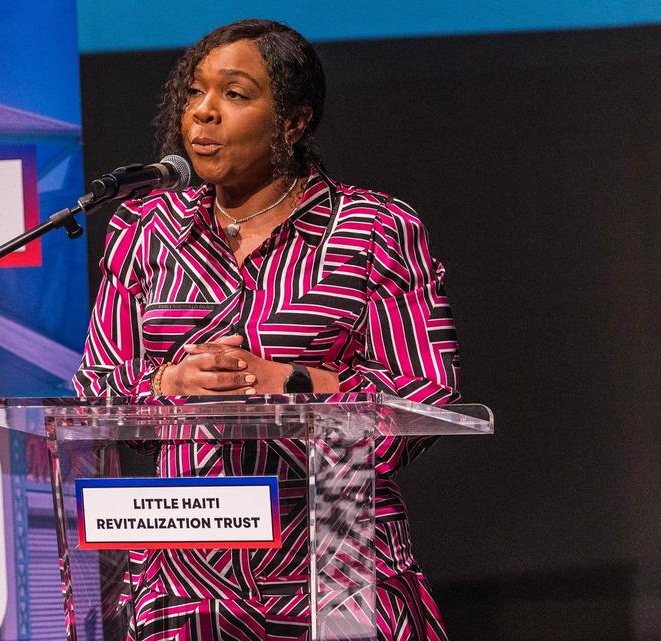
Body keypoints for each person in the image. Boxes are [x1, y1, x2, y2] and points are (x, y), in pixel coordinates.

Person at [72, 18, 460, 641]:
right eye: (195, 92)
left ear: (294, 121)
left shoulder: (372, 229)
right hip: (182, 586)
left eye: (234, 94)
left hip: (333, 569)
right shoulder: (146, 230)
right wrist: (168, 380)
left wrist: (293, 382)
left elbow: (426, 397)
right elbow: (94, 393)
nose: (202, 114)